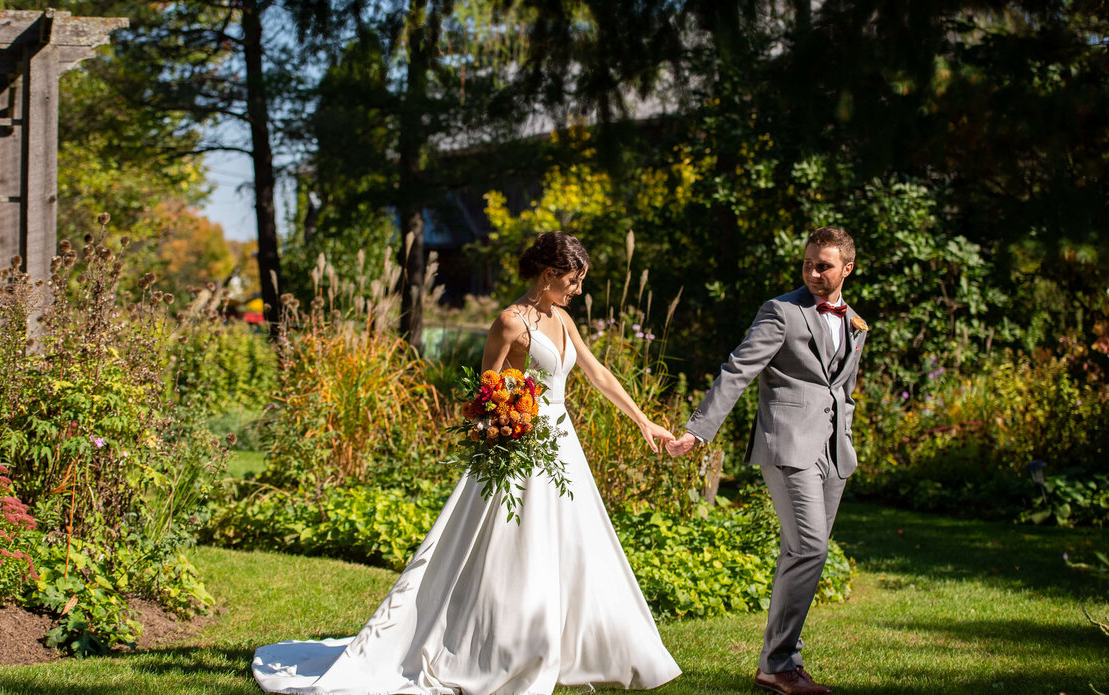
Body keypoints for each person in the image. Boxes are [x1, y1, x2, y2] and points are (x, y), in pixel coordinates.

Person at [253, 231, 681, 695]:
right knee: (511, 551)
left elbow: (596, 372)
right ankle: (499, 647)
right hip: (521, 449)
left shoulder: (561, 318)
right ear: (548, 274)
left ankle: (573, 645)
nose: (577, 290)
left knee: (573, 544)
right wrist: (504, 425)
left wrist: (643, 422)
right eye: (573, 281)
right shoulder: (509, 322)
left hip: (562, 446)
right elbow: (484, 393)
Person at [666, 226, 868, 695]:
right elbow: (739, 369)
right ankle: (779, 665)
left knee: (804, 554)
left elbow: (845, 390)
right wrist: (699, 430)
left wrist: (848, 439)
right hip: (788, 445)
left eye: (825, 265)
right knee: (811, 547)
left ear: (848, 269)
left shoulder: (856, 322)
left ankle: (777, 664)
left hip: (834, 453)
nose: (814, 272)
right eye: (808, 263)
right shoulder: (781, 311)